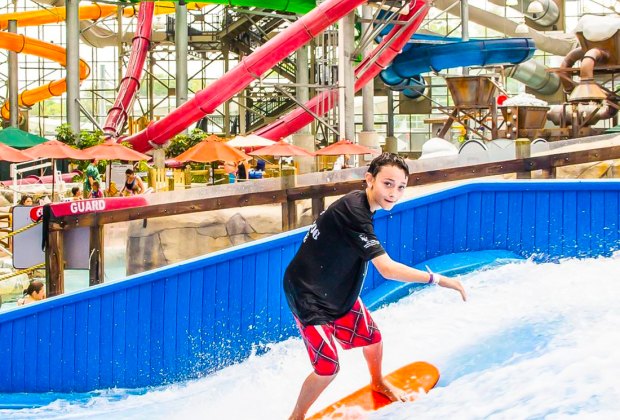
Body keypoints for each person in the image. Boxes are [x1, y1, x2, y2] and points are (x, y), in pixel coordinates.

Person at [283, 153, 467, 420]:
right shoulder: (354, 213)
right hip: (306, 295)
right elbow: (388, 269)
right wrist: (440, 280)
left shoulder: (360, 207)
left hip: (334, 289)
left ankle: (377, 382)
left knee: (372, 338)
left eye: (401, 187)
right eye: (388, 184)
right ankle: (296, 416)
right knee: (328, 368)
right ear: (369, 179)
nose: (394, 193)